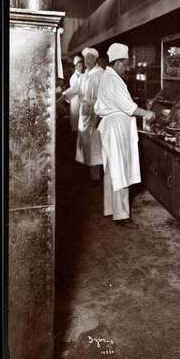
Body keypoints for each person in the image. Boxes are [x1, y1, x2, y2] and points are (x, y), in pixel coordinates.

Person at [94, 42, 155, 229]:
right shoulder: (113, 80)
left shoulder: (108, 77)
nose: (127, 67)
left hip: (111, 127)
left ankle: (111, 209)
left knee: (112, 171)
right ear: (118, 63)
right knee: (120, 171)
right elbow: (129, 107)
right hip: (116, 129)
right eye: (126, 63)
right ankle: (121, 215)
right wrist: (147, 114)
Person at [63, 47, 104, 181]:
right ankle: (88, 172)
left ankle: (96, 177)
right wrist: (60, 99)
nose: (86, 61)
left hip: (95, 112)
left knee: (95, 145)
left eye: (88, 58)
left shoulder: (100, 74)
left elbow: (103, 96)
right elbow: (75, 89)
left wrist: (96, 113)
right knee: (85, 144)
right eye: (85, 58)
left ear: (95, 59)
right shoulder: (85, 74)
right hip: (84, 111)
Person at [68, 55, 84, 136]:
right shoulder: (73, 78)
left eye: (82, 66)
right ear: (75, 67)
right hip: (76, 100)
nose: (81, 68)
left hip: (82, 101)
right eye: (79, 66)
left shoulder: (83, 75)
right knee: (76, 120)